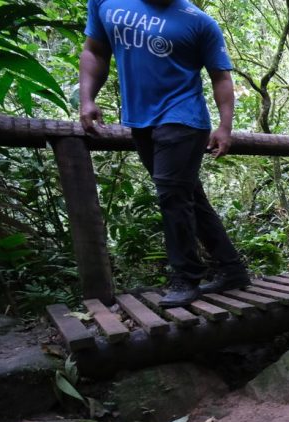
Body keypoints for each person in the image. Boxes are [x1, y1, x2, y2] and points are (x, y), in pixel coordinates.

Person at [80, 0, 249, 307]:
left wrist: (225, 127)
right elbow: (95, 51)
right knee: (187, 195)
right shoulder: (105, 3)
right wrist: (86, 98)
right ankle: (232, 268)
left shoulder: (199, 22)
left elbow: (221, 77)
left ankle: (185, 277)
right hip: (140, 120)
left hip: (184, 118)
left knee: (172, 195)